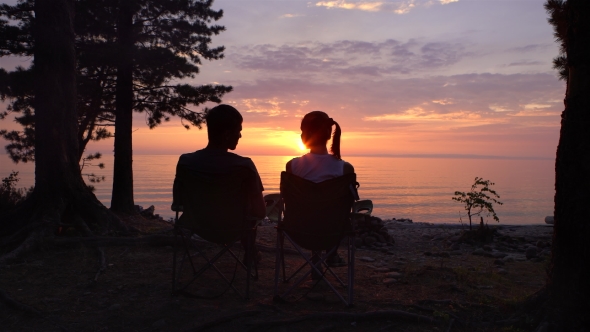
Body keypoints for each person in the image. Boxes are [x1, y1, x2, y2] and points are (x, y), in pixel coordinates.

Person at [173, 104, 266, 263]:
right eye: (239, 131)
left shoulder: (186, 162)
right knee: (250, 212)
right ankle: (250, 253)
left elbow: (178, 203)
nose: (240, 136)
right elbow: (260, 211)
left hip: (197, 227)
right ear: (227, 134)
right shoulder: (244, 166)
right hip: (235, 229)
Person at [286, 110, 355, 270]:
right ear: (329, 135)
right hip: (333, 233)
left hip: (298, 229)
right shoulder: (345, 169)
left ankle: (318, 261)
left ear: (307, 133)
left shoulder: (292, 166)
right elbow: (347, 207)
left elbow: (289, 201)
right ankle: (331, 254)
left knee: (312, 211)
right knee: (327, 213)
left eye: (302, 131)